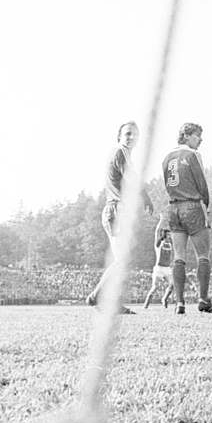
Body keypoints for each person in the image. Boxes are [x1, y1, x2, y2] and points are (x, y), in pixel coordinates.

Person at [162, 122, 212, 314]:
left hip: (173, 207)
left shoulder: (167, 157)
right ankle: (203, 299)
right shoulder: (193, 155)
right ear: (186, 136)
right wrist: (206, 206)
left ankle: (179, 302)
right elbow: (201, 183)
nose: (200, 139)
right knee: (203, 255)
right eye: (197, 136)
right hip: (192, 206)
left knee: (179, 256)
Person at [89, 121, 138, 313]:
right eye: (127, 134)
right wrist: (146, 197)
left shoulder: (123, 153)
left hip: (116, 209)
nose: (131, 137)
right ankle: (98, 297)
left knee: (122, 259)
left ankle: (107, 300)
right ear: (119, 137)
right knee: (122, 260)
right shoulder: (121, 151)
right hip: (116, 209)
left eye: (135, 134)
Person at [143, 218, 176, 309]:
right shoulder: (159, 244)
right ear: (165, 235)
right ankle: (146, 304)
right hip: (159, 268)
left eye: (170, 235)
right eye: (168, 235)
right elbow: (157, 232)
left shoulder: (171, 244)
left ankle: (164, 299)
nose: (170, 236)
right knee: (154, 288)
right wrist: (161, 221)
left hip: (167, 268)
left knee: (172, 284)